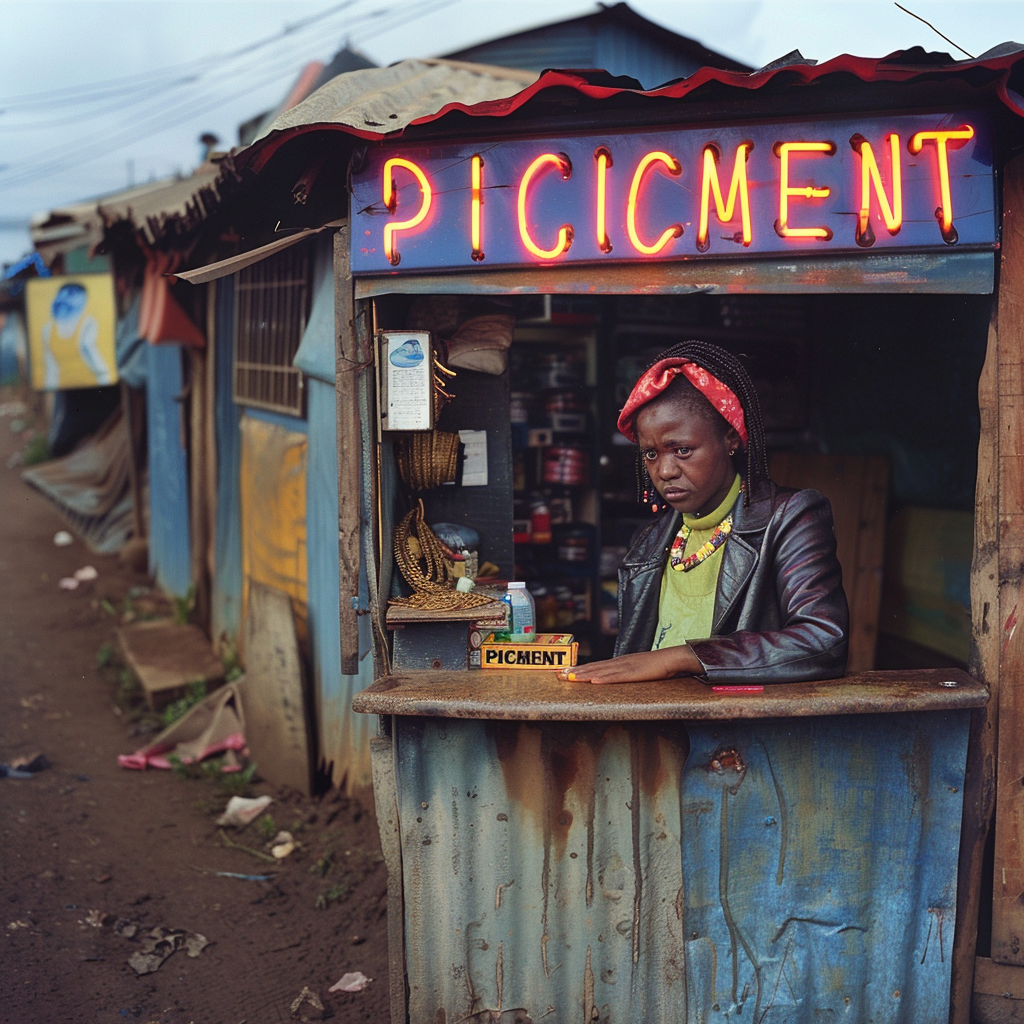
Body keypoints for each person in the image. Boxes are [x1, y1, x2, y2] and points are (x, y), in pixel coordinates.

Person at [562, 340, 848, 685]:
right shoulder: (651, 542)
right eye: (651, 454)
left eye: (682, 450)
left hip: (732, 729)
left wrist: (684, 657)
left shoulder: (789, 519)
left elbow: (823, 640)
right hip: (657, 725)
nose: (665, 470)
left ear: (730, 439)